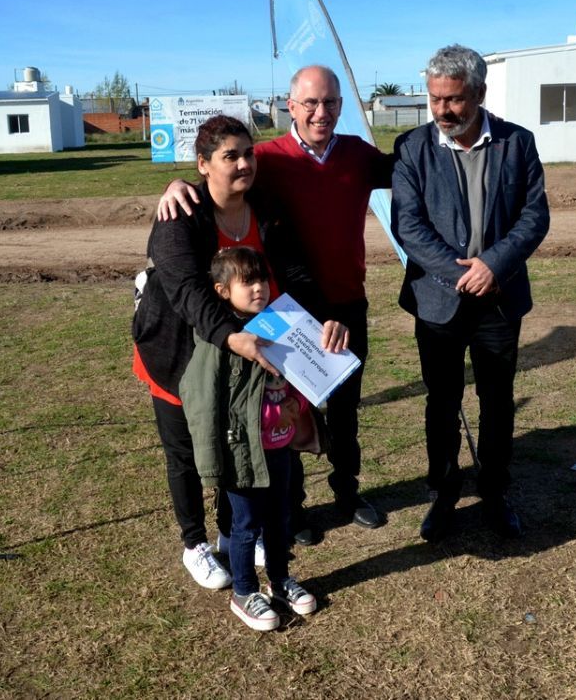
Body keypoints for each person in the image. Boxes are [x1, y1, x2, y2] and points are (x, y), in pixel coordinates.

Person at [156, 65, 392, 542]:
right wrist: (176, 185)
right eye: (310, 103)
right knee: (285, 412)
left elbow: (406, 168)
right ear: (291, 106)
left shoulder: (358, 156)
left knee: (344, 411)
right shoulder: (266, 159)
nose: (320, 112)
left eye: (330, 102)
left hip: (343, 305)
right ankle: (294, 508)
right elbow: (220, 173)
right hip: (284, 312)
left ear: (342, 105)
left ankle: (347, 491)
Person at [132, 115, 347, 590]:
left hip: (244, 363)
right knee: (185, 453)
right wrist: (231, 336)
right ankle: (195, 544)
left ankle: (236, 534)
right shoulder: (180, 216)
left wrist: (325, 315)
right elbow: (188, 292)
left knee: (240, 443)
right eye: (230, 156)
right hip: (180, 355)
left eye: (248, 153)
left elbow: (296, 272)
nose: (244, 163)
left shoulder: (265, 209)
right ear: (203, 165)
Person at [390, 45, 550, 542]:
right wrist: (462, 273)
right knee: (441, 401)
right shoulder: (412, 148)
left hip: (498, 299)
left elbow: (534, 216)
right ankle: (443, 493)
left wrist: (493, 265)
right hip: (438, 300)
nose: (443, 110)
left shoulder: (517, 143)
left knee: (497, 399)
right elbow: (408, 226)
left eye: (454, 100)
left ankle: (495, 490)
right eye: (435, 99)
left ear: (479, 93)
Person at [181, 246, 319, 631]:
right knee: (245, 525)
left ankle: (279, 581)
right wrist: (213, 453)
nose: (259, 288)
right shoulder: (220, 339)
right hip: (242, 451)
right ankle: (243, 591)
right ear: (223, 291)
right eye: (248, 282)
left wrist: (299, 406)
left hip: (279, 446)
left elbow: (298, 378)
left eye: (263, 279)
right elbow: (203, 398)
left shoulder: (282, 324)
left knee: (279, 519)